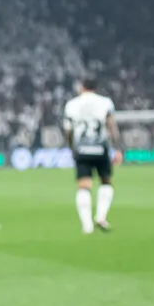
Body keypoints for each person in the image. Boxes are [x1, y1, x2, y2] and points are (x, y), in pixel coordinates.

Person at [63, 76, 121, 234]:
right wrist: (117, 148)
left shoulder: (72, 104)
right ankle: (101, 216)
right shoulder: (105, 102)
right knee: (106, 181)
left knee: (83, 185)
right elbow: (111, 125)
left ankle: (86, 225)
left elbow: (68, 130)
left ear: (81, 87)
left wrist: (71, 148)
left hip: (82, 149)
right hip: (100, 148)